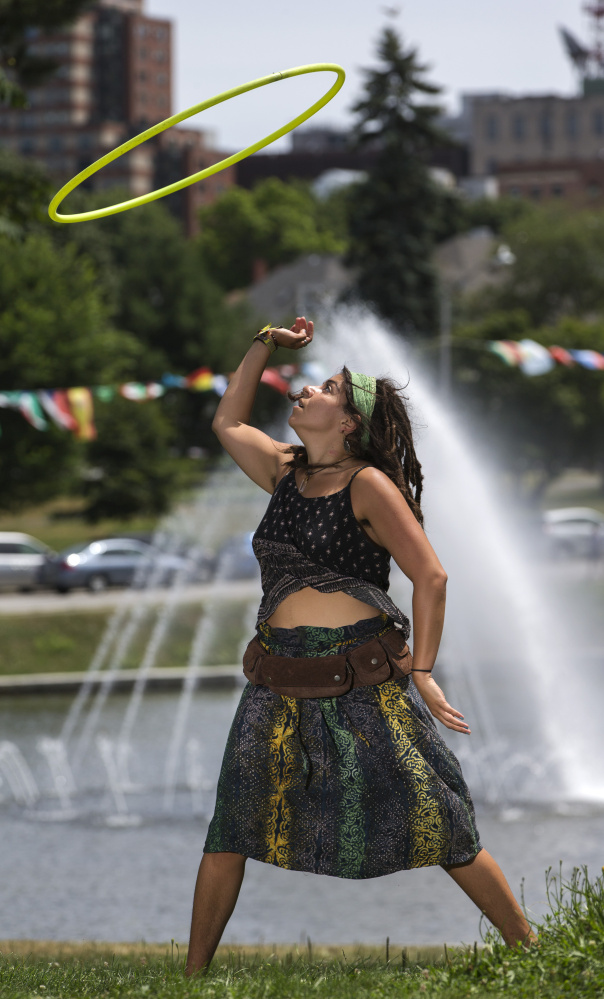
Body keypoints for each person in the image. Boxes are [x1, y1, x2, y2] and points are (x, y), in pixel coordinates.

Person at [185, 317, 534, 974]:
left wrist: (424, 670)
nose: (307, 388)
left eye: (325, 387)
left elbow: (430, 574)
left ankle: (532, 951)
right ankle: (191, 981)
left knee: (440, 818)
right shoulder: (284, 472)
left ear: (348, 422)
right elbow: (228, 423)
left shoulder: (369, 485)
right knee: (230, 826)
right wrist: (264, 341)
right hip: (275, 682)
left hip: (360, 681)